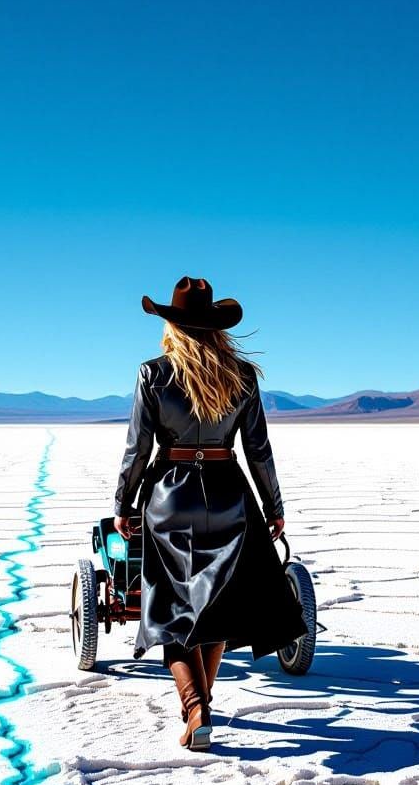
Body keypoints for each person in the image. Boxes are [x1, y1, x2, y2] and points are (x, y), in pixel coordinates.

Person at [113, 276, 309, 752]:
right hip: (228, 495)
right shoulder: (240, 375)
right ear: (216, 328)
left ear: (172, 326)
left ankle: (196, 708)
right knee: (215, 609)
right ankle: (204, 705)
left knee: (174, 609)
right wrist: (274, 506)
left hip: (170, 498)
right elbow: (258, 449)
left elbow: (138, 449)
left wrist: (123, 503)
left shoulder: (153, 374)